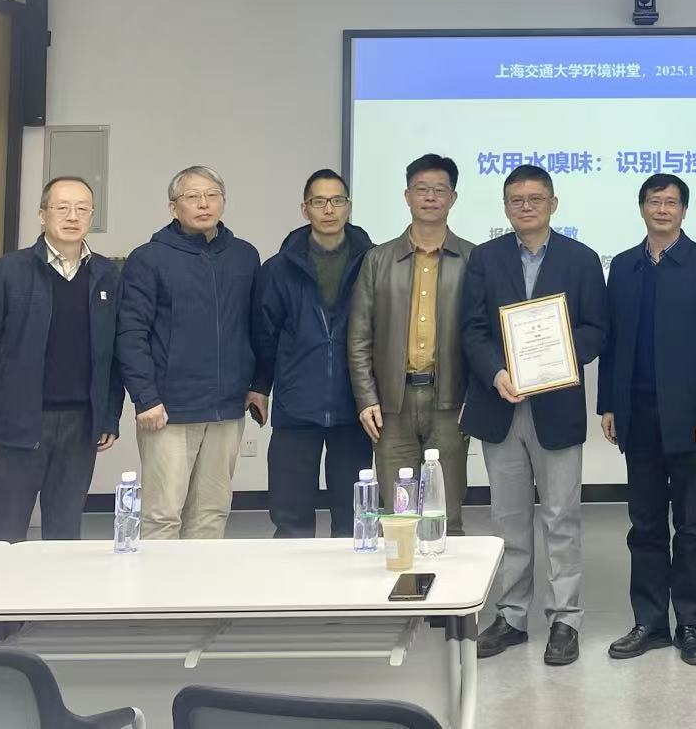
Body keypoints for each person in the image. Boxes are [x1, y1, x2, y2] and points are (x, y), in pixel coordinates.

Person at [460, 164, 606, 667]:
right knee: (508, 519)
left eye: (536, 198)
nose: (526, 206)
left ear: (553, 203)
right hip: (500, 403)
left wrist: (556, 361)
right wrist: (497, 372)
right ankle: (512, 616)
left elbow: (597, 330)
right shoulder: (485, 258)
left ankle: (565, 618)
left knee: (561, 517)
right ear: (505, 207)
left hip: (556, 406)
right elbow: (472, 329)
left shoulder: (581, 259)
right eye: (516, 199)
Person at [598, 173, 696, 667]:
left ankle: (690, 624)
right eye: (654, 201)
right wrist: (608, 404)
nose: (662, 209)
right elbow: (612, 343)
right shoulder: (624, 266)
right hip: (637, 414)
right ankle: (650, 622)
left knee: (691, 526)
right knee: (645, 525)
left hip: (691, 419)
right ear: (642, 208)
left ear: (683, 211)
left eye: (671, 202)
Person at [0, 176, 123, 542]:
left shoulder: (106, 275)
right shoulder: (8, 271)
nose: (73, 216)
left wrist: (109, 416)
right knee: (5, 535)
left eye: (82, 209)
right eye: (62, 207)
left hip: (80, 425)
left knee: (65, 535)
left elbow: (113, 356)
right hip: (17, 423)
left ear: (92, 216)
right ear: (42, 214)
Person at [118, 165, 263, 540]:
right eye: (193, 197)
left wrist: (258, 385)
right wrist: (145, 397)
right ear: (173, 207)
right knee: (163, 515)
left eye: (212, 195)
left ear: (223, 201)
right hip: (168, 410)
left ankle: (202, 582)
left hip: (227, 409)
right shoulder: (149, 258)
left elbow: (257, 327)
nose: (204, 204)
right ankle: (159, 583)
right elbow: (131, 334)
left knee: (212, 513)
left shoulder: (244, 256)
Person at [349, 154, 474, 537]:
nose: (430, 197)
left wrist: (475, 396)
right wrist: (366, 398)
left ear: (453, 197)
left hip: (450, 402)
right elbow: (359, 336)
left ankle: (448, 576)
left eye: (439, 190)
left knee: (447, 514)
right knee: (398, 514)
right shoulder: (378, 259)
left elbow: (483, 335)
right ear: (407, 196)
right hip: (393, 404)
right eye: (422, 189)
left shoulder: (473, 259)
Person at [251, 169, 374, 538]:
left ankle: (350, 578)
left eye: (337, 201)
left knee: (353, 518)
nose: (329, 210)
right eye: (319, 202)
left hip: (354, 406)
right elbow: (265, 333)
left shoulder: (373, 262)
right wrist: (260, 386)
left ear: (348, 206)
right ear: (305, 209)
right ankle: (293, 577)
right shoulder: (279, 268)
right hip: (296, 405)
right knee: (291, 517)